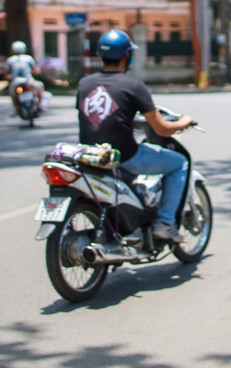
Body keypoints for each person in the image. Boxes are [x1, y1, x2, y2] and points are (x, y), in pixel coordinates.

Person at [76, 29, 194, 243]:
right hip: (125, 157)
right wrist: (183, 122)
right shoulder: (134, 86)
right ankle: (166, 223)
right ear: (126, 56)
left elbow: (101, 116)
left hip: (91, 155)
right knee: (180, 163)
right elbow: (162, 129)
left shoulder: (85, 84)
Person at [6, 41, 45, 114]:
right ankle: (40, 105)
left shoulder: (10, 60)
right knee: (40, 87)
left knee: (13, 93)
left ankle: (16, 109)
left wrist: (8, 76)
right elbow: (35, 70)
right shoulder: (29, 58)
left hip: (16, 82)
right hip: (28, 81)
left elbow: (7, 72)